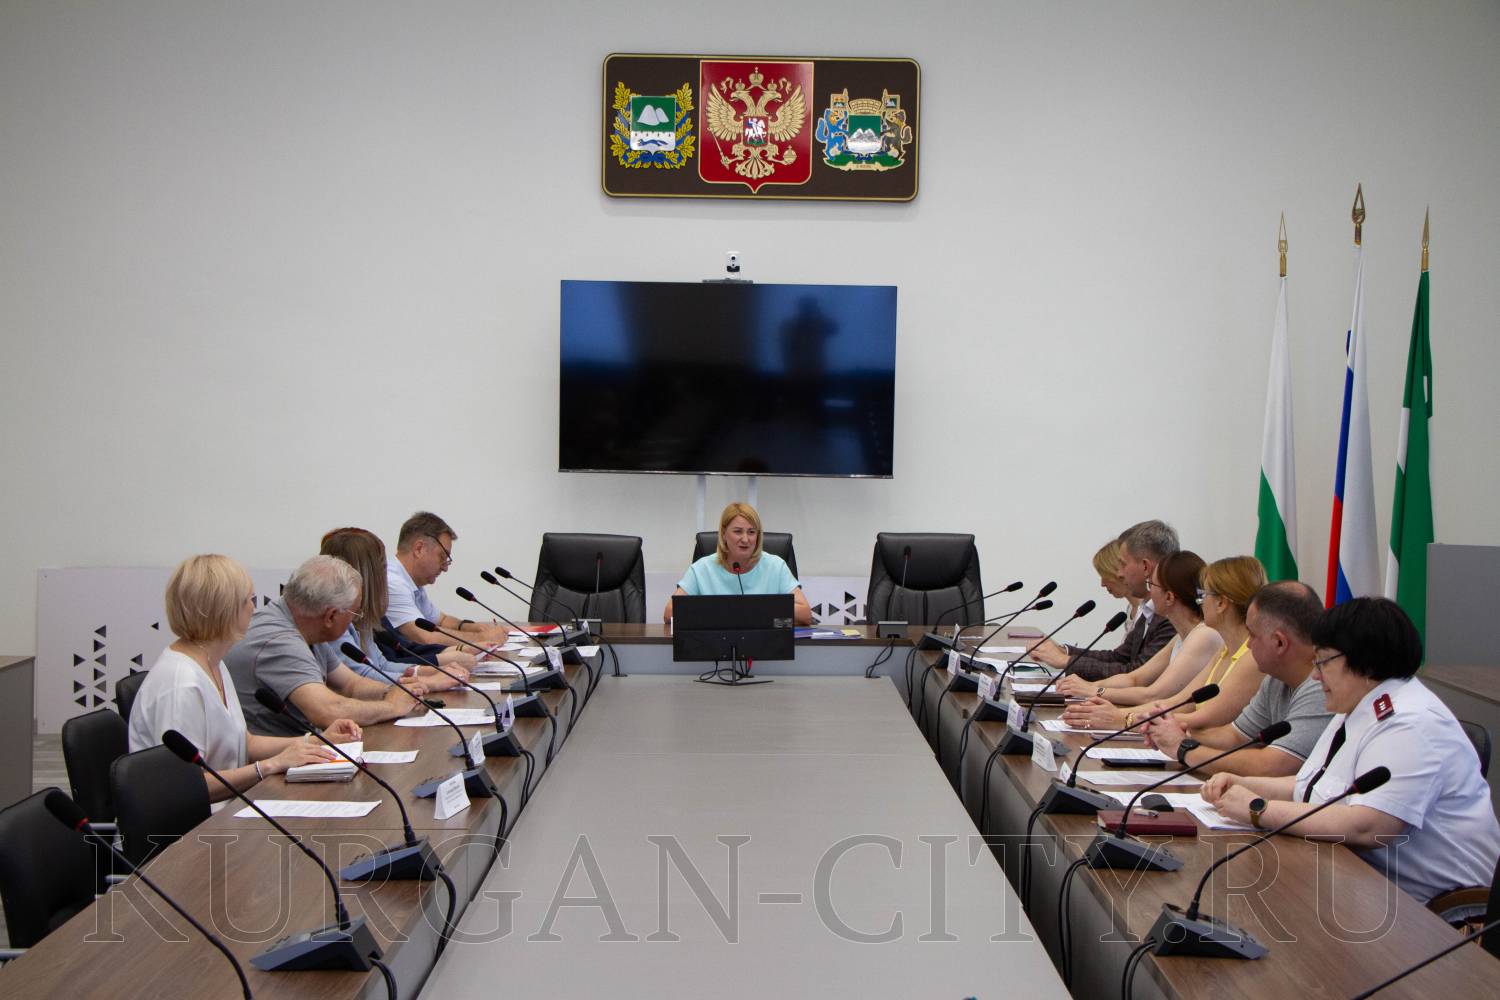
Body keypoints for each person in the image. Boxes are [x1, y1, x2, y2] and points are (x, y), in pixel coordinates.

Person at [1201, 597, 1500, 904]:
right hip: (1362, 882)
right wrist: (1244, 784)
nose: (1315, 675)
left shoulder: (1411, 723)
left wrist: (1259, 809)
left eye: (1323, 662)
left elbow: (1370, 826)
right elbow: (1314, 785)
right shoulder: (1357, 705)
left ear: (1364, 662)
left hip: (1438, 910)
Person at [128, 554, 360, 804]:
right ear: (225, 610)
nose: (253, 608)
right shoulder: (180, 685)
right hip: (197, 824)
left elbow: (244, 742)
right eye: (249, 600)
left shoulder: (213, 662)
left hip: (229, 809)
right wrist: (268, 767)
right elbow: (183, 786)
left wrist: (316, 742)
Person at [1143, 580, 1332, 775]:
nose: (1248, 645)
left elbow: (1273, 765)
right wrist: (1176, 733)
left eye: (1253, 635)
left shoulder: (1322, 686)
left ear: (1279, 642)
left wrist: (1184, 749)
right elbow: (1235, 737)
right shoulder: (1276, 679)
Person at [227, 555, 428, 737]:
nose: (354, 621)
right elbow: (327, 711)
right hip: (277, 759)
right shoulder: (279, 641)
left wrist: (393, 691)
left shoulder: (304, 624)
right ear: (331, 615)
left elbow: (350, 685)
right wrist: (392, 706)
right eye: (355, 613)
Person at [1058, 551, 1222, 728]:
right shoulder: (1181, 635)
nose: (1149, 593)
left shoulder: (1203, 635)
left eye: (1152, 585)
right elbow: (1135, 679)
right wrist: (1090, 687)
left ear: (1169, 597)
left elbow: (1153, 694)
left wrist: (1104, 702)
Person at [319, 527, 476, 691]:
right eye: (382, 566)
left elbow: (381, 665)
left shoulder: (361, 617)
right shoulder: (336, 618)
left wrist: (434, 671)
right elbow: (361, 676)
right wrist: (429, 681)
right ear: (367, 575)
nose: (386, 575)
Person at [1031, 520, 1179, 679]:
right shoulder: (1149, 609)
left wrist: (1067, 662)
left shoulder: (1170, 615)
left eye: (1123, 564)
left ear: (1145, 566)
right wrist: (1065, 652)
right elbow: (1119, 658)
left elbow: (1136, 673)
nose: (1119, 573)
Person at [663, 502, 812, 625]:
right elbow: (669, 613)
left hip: (766, 647)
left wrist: (760, 613)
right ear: (723, 534)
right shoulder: (702, 568)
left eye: (751, 532)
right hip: (713, 648)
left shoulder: (775, 566)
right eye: (738, 531)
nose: (745, 539)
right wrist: (726, 614)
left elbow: (805, 614)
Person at [387, 511, 510, 649]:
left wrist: (475, 628)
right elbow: (425, 637)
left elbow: (441, 621)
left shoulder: (412, 581)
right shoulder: (393, 582)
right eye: (442, 557)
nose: (445, 568)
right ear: (419, 549)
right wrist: (482, 638)